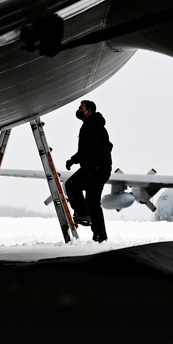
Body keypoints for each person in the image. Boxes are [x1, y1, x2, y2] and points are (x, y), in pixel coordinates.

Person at [64, 100, 113, 243]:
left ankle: (83, 214)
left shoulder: (93, 126)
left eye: (81, 108)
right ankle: (100, 236)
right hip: (101, 169)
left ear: (89, 111)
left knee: (72, 185)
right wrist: (76, 160)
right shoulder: (92, 125)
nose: (78, 110)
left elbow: (90, 150)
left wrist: (74, 160)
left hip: (95, 168)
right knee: (93, 202)